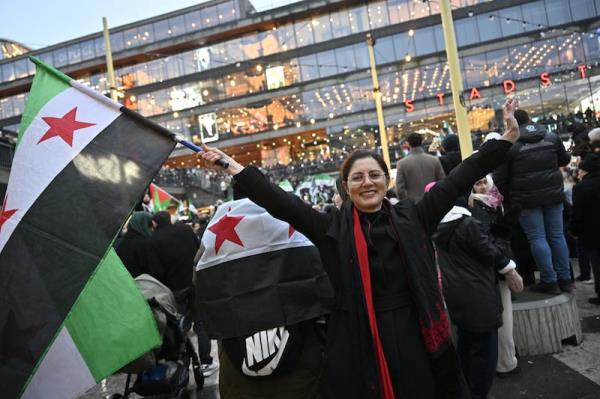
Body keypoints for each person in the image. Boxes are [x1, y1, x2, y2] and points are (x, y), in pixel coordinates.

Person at [197, 100, 521, 399]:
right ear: (347, 187)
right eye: (357, 177)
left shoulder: (414, 216)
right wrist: (231, 166)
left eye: (374, 175)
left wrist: (503, 141)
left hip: (413, 334)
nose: (367, 182)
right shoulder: (330, 229)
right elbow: (281, 203)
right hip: (357, 338)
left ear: (386, 181)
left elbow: (458, 179)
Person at [434, 195, 522, 399]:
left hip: (457, 295)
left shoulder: (439, 225)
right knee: (485, 353)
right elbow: (490, 252)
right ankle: (478, 393)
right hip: (479, 296)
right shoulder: (468, 224)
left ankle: (468, 391)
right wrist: (503, 234)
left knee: (466, 347)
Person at [494, 109, 572, 294]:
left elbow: (500, 178)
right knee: (557, 236)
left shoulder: (511, 145)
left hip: (525, 199)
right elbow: (565, 159)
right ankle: (565, 279)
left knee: (537, 238)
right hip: (553, 195)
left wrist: (510, 197)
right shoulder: (551, 137)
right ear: (530, 120)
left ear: (511, 123)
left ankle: (549, 280)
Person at [467, 176, 523, 379]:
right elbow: (489, 241)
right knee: (503, 317)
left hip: (490, 267)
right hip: (495, 267)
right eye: (477, 182)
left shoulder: (493, 201)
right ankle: (507, 363)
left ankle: (504, 360)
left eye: (484, 182)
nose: (481, 186)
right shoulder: (480, 206)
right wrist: (506, 266)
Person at [570, 154, 600, 305]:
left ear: (586, 171)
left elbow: (578, 213)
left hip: (592, 233)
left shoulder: (581, 188)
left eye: (580, 171)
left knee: (597, 264)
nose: (578, 173)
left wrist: (574, 229)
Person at [395, 133, 445, 202]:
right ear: (421, 142)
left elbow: (399, 190)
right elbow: (442, 182)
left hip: (414, 207)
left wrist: (409, 202)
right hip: (434, 202)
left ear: (408, 143)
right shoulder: (435, 160)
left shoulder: (401, 164)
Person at [114, 211, 160, 278]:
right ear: (144, 225)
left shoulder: (120, 240)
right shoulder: (145, 245)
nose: (152, 229)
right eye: (150, 225)